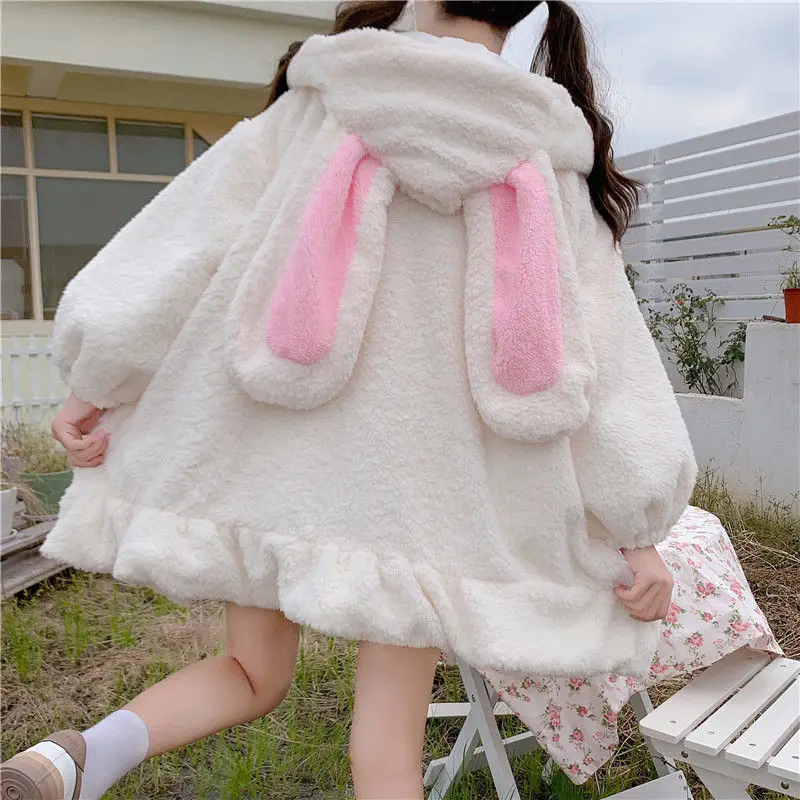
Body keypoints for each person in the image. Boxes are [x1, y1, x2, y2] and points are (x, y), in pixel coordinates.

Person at [1, 1, 696, 798]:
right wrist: (639, 528)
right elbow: (609, 361)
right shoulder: (545, 150)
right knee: (386, 754)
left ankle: (72, 762)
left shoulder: (324, 101)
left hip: (275, 456)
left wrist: (96, 379)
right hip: (424, 501)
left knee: (251, 671)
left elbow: (186, 243)